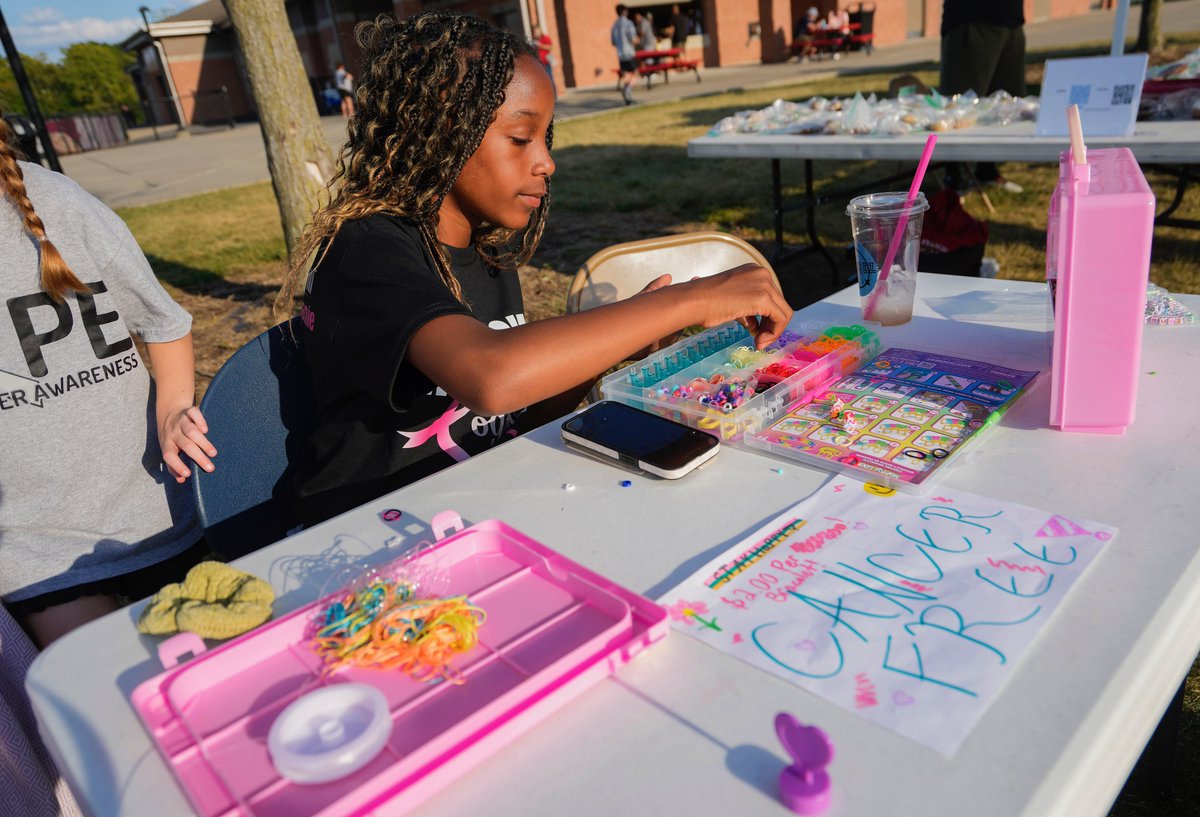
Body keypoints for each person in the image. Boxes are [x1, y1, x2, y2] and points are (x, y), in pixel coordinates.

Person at [275, 11, 791, 527]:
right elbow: (491, 377)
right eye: (521, 139)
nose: (546, 162)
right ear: (439, 130)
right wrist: (691, 298)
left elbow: (514, 415)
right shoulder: (368, 250)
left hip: (479, 508)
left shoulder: (485, 250)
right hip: (368, 530)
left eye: (546, 139)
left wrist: (624, 338)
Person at [0, 116, 216, 648]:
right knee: (113, 700)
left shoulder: (56, 198)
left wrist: (171, 412)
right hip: (36, 546)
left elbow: (165, 323)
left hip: (154, 510)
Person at [939, 0, 1025, 193]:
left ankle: (986, 170)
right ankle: (954, 178)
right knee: (961, 106)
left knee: (1004, 106)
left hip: (1011, 19)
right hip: (972, 16)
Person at [612, 5, 639, 105]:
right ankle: (627, 90)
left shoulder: (614, 25)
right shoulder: (628, 23)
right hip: (629, 53)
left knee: (627, 74)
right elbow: (633, 39)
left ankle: (628, 96)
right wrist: (637, 40)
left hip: (620, 54)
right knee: (636, 73)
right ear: (624, 11)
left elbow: (613, 42)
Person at [530, 24, 557, 98]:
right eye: (533, 32)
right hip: (539, 63)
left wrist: (539, 45)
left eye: (536, 31)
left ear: (539, 30)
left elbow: (549, 47)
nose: (535, 33)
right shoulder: (535, 40)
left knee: (550, 78)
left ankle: (554, 96)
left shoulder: (545, 38)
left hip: (546, 62)